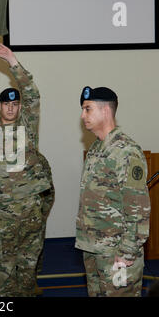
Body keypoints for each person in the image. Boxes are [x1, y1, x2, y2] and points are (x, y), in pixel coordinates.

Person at [0, 44, 54, 297]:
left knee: (29, 265)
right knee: (7, 267)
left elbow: (33, 94)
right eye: (6, 104)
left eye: (16, 104)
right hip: (6, 213)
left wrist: (12, 61)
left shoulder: (28, 128)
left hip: (31, 209)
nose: (11, 107)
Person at [76, 86, 151, 297]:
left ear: (106, 111)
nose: (83, 116)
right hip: (94, 249)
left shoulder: (125, 151)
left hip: (117, 255)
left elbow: (138, 209)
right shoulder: (96, 149)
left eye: (87, 109)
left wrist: (127, 253)